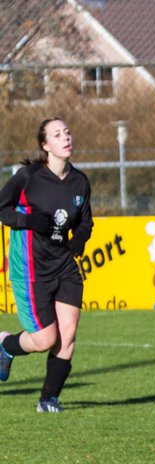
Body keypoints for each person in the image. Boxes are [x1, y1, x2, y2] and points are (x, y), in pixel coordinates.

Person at [0, 117, 94, 412]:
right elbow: (2, 209)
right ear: (45, 145)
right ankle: (5, 345)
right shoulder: (28, 177)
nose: (66, 137)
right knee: (44, 339)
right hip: (31, 268)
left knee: (67, 336)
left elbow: (86, 221)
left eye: (67, 131)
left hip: (64, 266)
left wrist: (80, 237)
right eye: (57, 134)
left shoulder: (80, 181)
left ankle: (48, 400)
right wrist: (27, 220)